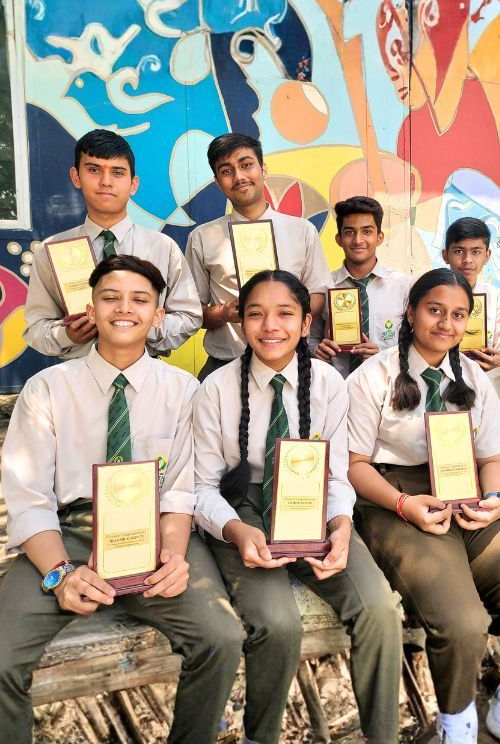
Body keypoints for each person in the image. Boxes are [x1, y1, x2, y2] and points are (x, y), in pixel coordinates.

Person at [0, 255, 244, 744]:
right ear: (91, 309)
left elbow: (179, 489)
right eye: (110, 298)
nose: (124, 309)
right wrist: (60, 574)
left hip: (154, 530)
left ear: (158, 315)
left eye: (140, 300)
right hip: (69, 533)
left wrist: (173, 557)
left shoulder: (182, 391)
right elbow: (29, 497)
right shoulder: (47, 389)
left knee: (220, 638)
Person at [194, 269, 402, 744]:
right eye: (256, 314)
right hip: (242, 507)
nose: (271, 326)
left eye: (285, 313)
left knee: (379, 610)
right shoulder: (216, 389)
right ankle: (261, 736)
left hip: (313, 504)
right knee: (277, 624)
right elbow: (202, 488)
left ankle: (382, 736)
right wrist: (236, 531)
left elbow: (335, 475)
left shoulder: (329, 384)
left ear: (306, 322)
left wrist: (342, 525)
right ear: (241, 323)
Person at [347, 268, 500, 744]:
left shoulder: (473, 377)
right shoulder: (372, 376)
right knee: (462, 622)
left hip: (466, 492)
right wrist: (403, 503)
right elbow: (353, 465)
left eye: (458, 315)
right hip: (394, 496)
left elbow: (492, 457)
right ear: (411, 312)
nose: (446, 324)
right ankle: (457, 724)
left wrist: (494, 499)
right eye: (435, 310)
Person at [24, 129, 202, 359]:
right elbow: (36, 328)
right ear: (76, 177)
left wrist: (139, 325)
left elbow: (189, 316)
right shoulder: (52, 251)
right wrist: (66, 335)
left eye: (117, 173)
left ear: (133, 184)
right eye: (94, 170)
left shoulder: (163, 248)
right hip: (78, 372)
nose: (106, 182)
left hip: (145, 372)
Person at [185, 133, 332, 381]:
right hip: (225, 365)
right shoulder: (202, 237)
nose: (239, 177)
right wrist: (223, 313)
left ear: (263, 169)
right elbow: (192, 311)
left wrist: (286, 310)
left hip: (292, 363)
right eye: (226, 171)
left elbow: (318, 293)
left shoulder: (302, 230)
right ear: (218, 182)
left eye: (246, 165)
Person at [311, 196, 411, 376]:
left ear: (379, 237)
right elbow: (311, 335)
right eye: (349, 232)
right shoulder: (323, 286)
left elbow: (416, 342)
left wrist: (385, 357)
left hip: (387, 384)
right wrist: (316, 350)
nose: (358, 240)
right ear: (339, 239)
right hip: (335, 385)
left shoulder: (403, 286)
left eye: (367, 231)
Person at [442, 217, 500, 376]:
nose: (467, 260)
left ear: (487, 256)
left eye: (476, 252)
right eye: (459, 251)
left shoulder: (495, 298)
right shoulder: (429, 294)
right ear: (445, 255)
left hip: (485, 380)